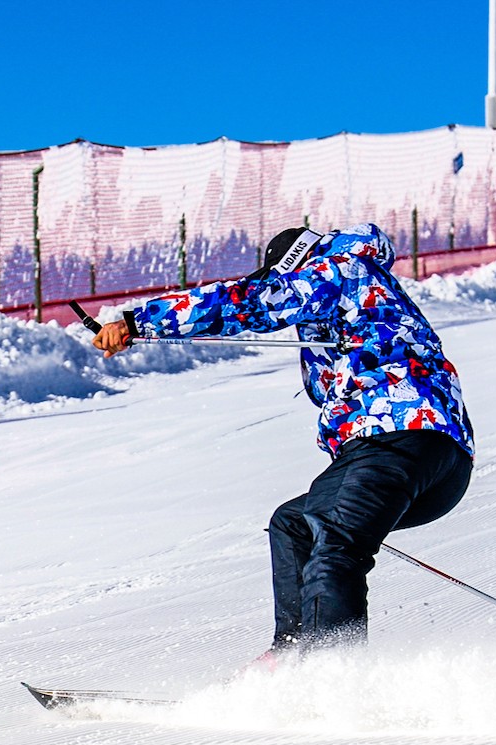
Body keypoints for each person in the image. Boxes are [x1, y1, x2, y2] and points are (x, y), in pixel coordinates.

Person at [91, 223, 474, 659]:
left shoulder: (338, 269)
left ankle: (331, 676)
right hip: (438, 461)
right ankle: (291, 656)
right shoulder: (363, 291)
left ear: (295, 264)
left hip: (396, 437)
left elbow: (250, 303)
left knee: (333, 545)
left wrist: (137, 322)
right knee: (293, 524)